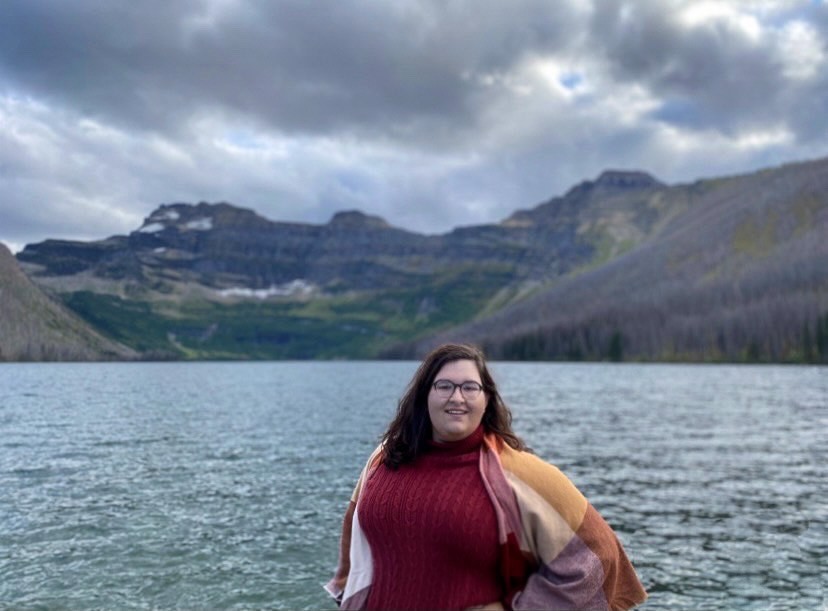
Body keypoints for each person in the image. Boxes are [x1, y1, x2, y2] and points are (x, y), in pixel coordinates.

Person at [325, 343, 647, 610]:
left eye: (470, 387)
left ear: (486, 399)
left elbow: (599, 554)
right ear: (424, 396)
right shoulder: (384, 458)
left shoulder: (519, 473)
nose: (457, 397)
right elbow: (354, 535)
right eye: (444, 386)